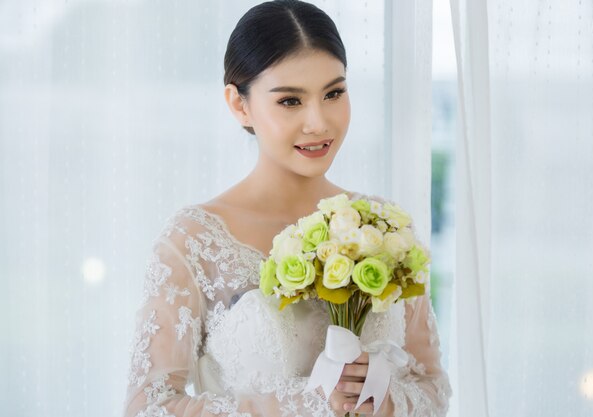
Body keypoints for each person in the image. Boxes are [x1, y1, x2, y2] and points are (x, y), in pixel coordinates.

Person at [122, 1, 452, 416]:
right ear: (240, 104)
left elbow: (432, 389)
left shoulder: (383, 229)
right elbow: (147, 407)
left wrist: (380, 399)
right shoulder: (193, 241)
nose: (319, 122)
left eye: (334, 93)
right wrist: (306, 404)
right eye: (290, 101)